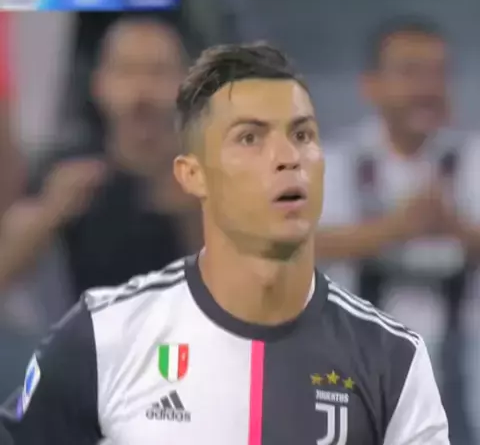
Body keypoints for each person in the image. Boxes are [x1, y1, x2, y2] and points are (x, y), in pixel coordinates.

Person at [0, 42, 449, 444]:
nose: (284, 158)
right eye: (250, 138)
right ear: (194, 173)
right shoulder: (99, 334)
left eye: (301, 135)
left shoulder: (392, 358)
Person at [316, 16, 478, 442]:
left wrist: (455, 228)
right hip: (353, 375)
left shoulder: (474, 159)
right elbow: (296, 245)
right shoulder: (333, 162)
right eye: (410, 72)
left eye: (438, 73)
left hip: (461, 375)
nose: (427, 88)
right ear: (371, 85)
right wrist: (395, 228)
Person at [0, 16, 201, 298]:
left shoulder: (210, 170)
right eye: (126, 72)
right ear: (99, 83)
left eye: (158, 73)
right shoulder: (69, 167)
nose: (142, 90)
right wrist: (51, 211)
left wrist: (194, 214)